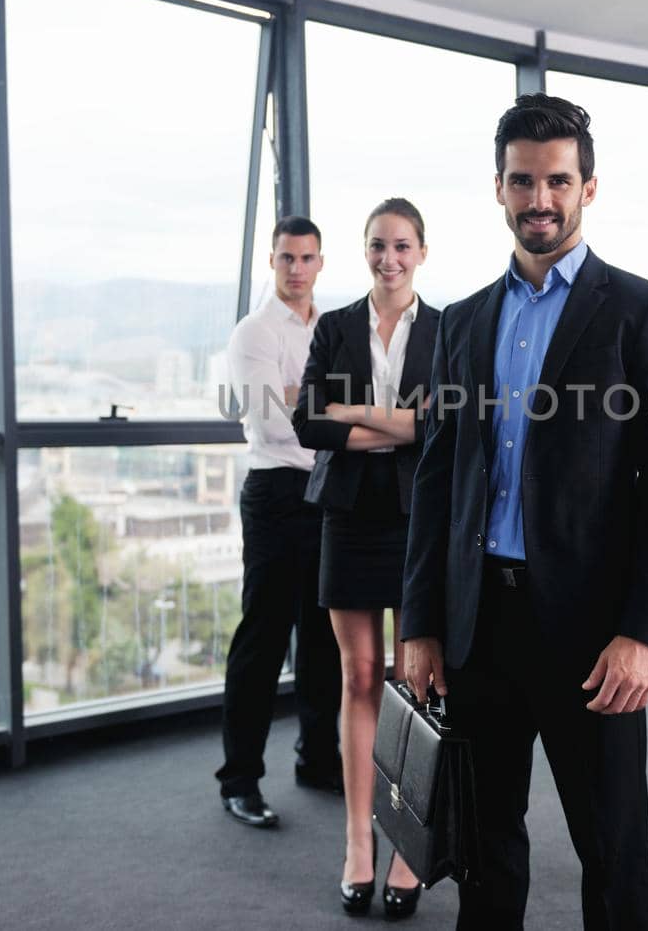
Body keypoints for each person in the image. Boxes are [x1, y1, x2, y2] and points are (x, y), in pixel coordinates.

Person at [400, 93, 648, 930]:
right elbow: (438, 480)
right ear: (500, 189)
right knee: (484, 853)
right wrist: (420, 621)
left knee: (612, 853)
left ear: (589, 187)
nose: (541, 200)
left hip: (592, 637)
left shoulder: (645, 311)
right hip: (477, 629)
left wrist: (645, 631)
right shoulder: (462, 322)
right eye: (523, 182)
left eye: (558, 182)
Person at [292, 198, 440, 919]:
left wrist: (354, 413)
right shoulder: (337, 325)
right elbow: (307, 420)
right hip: (349, 519)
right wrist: (388, 425)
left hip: (419, 523)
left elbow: (438, 422)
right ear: (365, 250)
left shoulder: (445, 328)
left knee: (417, 688)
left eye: (402, 245)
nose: (390, 257)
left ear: (422, 251)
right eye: (379, 245)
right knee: (358, 676)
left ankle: (409, 847)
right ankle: (357, 842)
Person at [215, 215, 343, 828]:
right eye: (287, 258)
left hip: (327, 494)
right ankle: (239, 779)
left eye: (307, 258)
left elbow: (322, 413)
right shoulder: (253, 332)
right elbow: (272, 425)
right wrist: (328, 411)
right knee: (263, 641)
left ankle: (318, 760)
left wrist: (309, 401)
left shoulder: (335, 329)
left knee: (325, 640)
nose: (297, 269)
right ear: (272, 262)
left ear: (321, 263)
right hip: (274, 496)